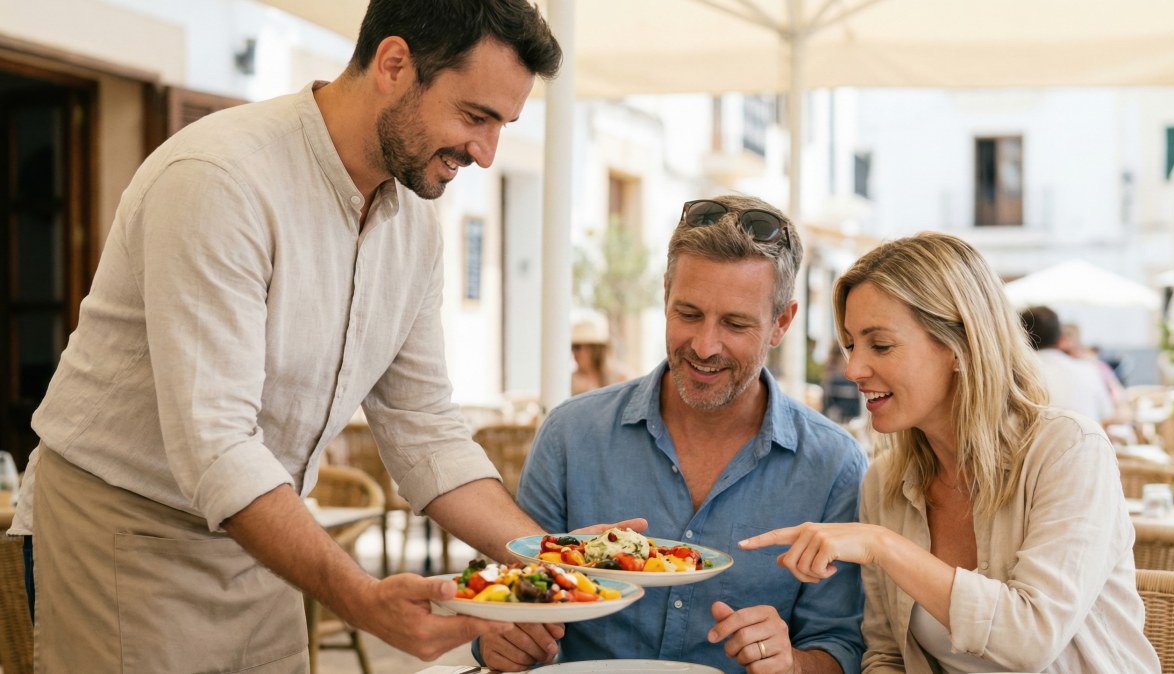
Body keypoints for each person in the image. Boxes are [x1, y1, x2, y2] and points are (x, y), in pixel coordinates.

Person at [5, 2, 638, 671]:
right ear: (394, 65)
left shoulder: (415, 228)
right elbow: (216, 445)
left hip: (269, 542)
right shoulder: (219, 179)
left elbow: (424, 430)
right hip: (123, 540)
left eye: (503, 126)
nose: (485, 153)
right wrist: (360, 598)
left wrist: (560, 559)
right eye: (475, 116)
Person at [478, 195, 868, 673]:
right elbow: (508, 602)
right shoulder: (570, 435)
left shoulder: (834, 466)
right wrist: (500, 636)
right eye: (688, 314)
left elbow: (842, 648)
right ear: (665, 295)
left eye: (735, 323)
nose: (705, 346)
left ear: (781, 323)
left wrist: (794, 663)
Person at [741, 233, 1159, 672]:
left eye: (880, 345)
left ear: (959, 346)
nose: (854, 369)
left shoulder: (1069, 451)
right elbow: (886, 655)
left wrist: (885, 547)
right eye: (850, 345)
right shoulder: (886, 484)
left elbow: (1031, 639)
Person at [1019, 305, 1116, 424]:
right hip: (1085, 441)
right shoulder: (1088, 371)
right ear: (1061, 338)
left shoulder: (1018, 376)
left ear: (1020, 337)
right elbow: (1106, 413)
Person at [570, 312, 628, 395]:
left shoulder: (621, 378)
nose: (574, 353)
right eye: (573, 347)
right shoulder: (570, 381)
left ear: (595, 348)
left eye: (577, 347)